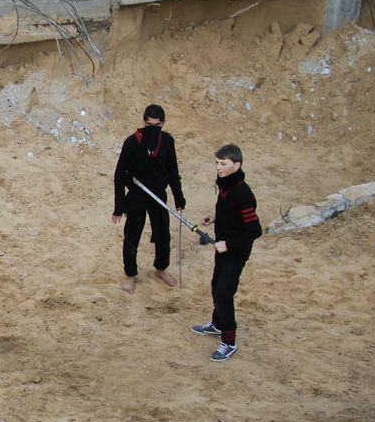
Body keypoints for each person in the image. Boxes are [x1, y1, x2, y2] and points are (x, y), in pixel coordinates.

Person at [192, 144, 262, 362]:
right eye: (217, 163)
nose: (218, 167)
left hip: (235, 252)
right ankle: (217, 324)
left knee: (223, 293)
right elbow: (230, 213)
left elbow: (254, 230)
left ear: (237, 165)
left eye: (223, 163)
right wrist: (215, 218)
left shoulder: (242, 193)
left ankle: (229, 342)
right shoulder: (226, 185)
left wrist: (228, 245)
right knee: (216, 285)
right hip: (223, 247)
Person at [112, 104, 185, 294]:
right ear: (144, 122)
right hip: (136, 196)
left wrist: (179, 197)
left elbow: (173, 170)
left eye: (157, 125)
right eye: (149, 124)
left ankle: (161, 268)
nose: (153, 128)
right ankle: (131, 275)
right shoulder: (132, 142)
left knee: (163, 235)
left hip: (158, 195)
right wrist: (119, 206)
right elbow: (119, 175)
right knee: (132, 236)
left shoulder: (167, 141)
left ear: (163, 124)